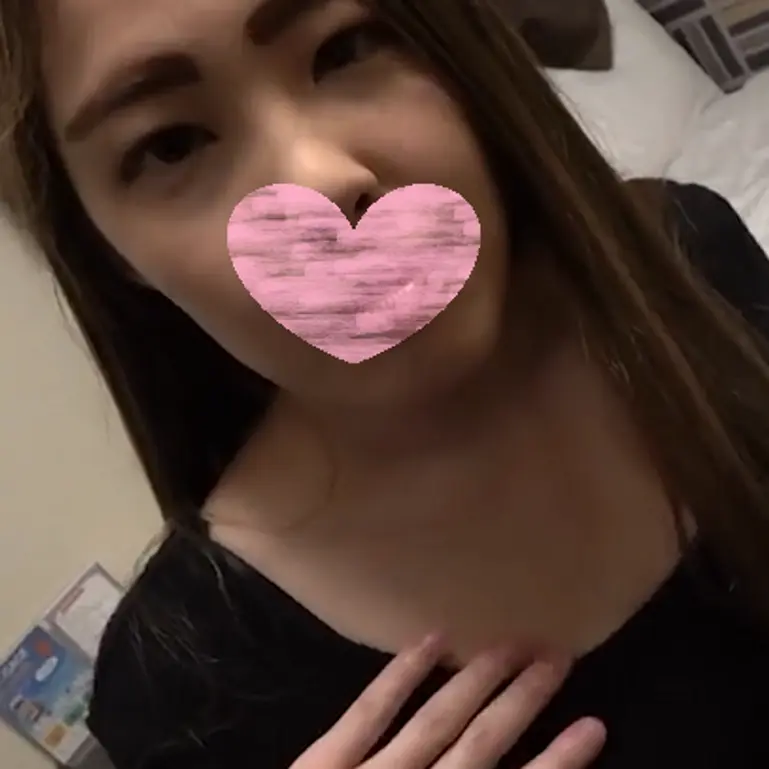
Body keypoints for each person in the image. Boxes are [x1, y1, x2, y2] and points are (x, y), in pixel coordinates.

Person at [2, 0, 769, 766]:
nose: (320, 178)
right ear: (108, 251)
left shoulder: (687, 261)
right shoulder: (179, 693)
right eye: (171, 145)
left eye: (344, 48)